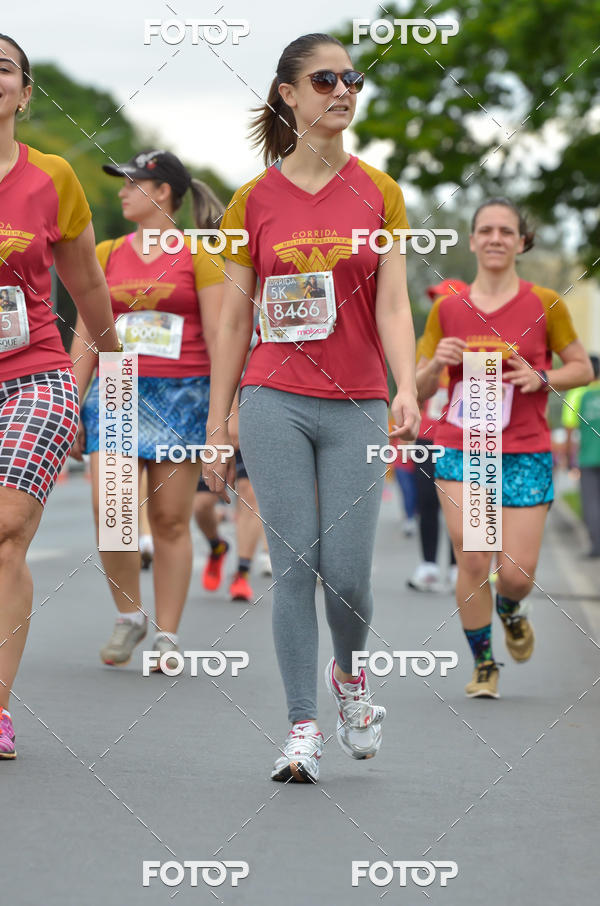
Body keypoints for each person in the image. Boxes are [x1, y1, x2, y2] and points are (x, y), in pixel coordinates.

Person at [203, 33, 420, 783]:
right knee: (294, 564)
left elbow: (394, 304)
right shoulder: (251, 200)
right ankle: (302, 728)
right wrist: (219, 421)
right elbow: (235, 319)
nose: (343, 91)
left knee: (348, 574)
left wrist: (407, 384)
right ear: (289, 95)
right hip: (274, 395)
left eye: (351, 79)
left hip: (358, 400)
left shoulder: (381, 192)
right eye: (325, 80)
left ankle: (349, 678)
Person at [417, 198, 593, 698]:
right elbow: (419, 386)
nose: (496, 238)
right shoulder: (448, 308)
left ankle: (512, 609)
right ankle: (484, 664)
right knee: (474, 557)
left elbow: (582, 367)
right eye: (487, 230)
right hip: (465, 446)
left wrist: (542, 377)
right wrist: (437, 364)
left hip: (523, 449)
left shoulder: (545, 303)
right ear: (473, 240)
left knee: (514, 575)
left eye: (506, 231)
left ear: (521, 242)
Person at [0, 35, 119, 759]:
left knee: (7, 528)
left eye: (2, 68)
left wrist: (113, 360)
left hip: (34, 376)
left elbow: (87, 283)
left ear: (24, 92)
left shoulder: (52, 177)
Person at [70, 150, 224, 670]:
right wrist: (70, 403)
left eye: (132, 183)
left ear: (162, 193)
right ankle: (129, 616)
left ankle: (168, 635)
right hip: (116, 391)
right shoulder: (107, 252)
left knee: (169, 520)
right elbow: (87, 333)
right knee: (111, 511)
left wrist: (224, 417)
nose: (122, 191)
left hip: (183, 394)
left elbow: (223, 336)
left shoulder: (200, 254)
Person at [408, 280, 466, 593]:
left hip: (463, 435)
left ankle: (460, 568)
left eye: (445, 301)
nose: (438, 308)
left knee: (462, 503)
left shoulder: (476, 339)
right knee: (427, 499)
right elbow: (414, 384)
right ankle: (428, 565)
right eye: (436, 302)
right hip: (429, 434)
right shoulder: (426, 342)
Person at [562, 355, 600, 557]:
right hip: (589, 457)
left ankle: (596, 546)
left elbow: (570, 430)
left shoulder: (577, 394)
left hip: (588, 457)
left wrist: (569, 460)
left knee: (591, 502)